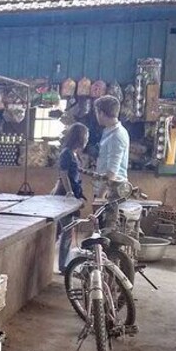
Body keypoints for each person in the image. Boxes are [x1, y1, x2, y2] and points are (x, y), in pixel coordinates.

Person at [54, 123, 88, 272]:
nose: (87, 139)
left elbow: (76, 173)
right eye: (86, 136)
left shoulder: (74, 154)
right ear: (79, 137)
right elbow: (63, 174)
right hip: (64, 196)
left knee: (66, 231)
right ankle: (63, 266)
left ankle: (65, 263)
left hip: (73, 195)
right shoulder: (66, 153)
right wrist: (69, 193)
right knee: (66, 231)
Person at [94, 95, 130, 233]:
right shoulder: (108, 131)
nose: (97, 116)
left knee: (109, 233)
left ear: (102, 113)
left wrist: (100, 196)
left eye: (97, 112)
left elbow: (112, 173)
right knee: (100, 231)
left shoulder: (117, 135)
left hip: (113, 191)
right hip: (105, 188)